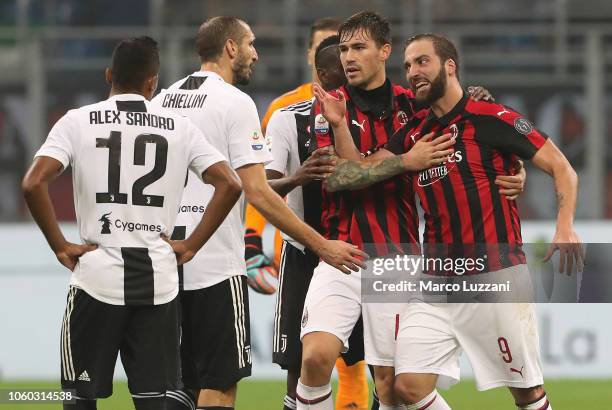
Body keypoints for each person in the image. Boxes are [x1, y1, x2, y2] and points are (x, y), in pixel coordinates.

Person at [315, 33, 583, 410]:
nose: (413, 72)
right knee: (406, 388)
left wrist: (565, 225)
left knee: (527, 394)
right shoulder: (415, 132)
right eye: (407, 66)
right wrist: (340, 126)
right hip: (436, 280)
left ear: (449, 66)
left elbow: (562, 168)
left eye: (422, 62)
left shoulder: (491, 117)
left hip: (494, 275)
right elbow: (357, 171)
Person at [152, 17, 365, 410]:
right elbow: (259, 193)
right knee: (219, 387)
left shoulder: (162, 100)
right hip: (214, 263)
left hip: (165, 262)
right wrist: (321, 244)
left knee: (176, 388)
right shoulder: (235, 102)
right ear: (230, 48)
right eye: (250, 44)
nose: (255, 53)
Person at [21, 36, 241, 410]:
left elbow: (32, 182)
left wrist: (60, 244)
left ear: (109, 75)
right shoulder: (179, 127)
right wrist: (191, 245)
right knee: (154, 399)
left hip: (97, 277)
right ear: (152, 82)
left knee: (79, 396)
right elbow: (230, 184)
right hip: (158, 281)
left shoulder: (78, 121)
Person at [265, 35, 370, 410]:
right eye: (341, 71)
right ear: (321, 77)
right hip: (307, 253)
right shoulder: (287, 120)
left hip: (366, 252)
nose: (349, 78)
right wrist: (298, 178)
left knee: (385, 369)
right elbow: (262, 189)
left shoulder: (375, 116)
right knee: (300, 365)